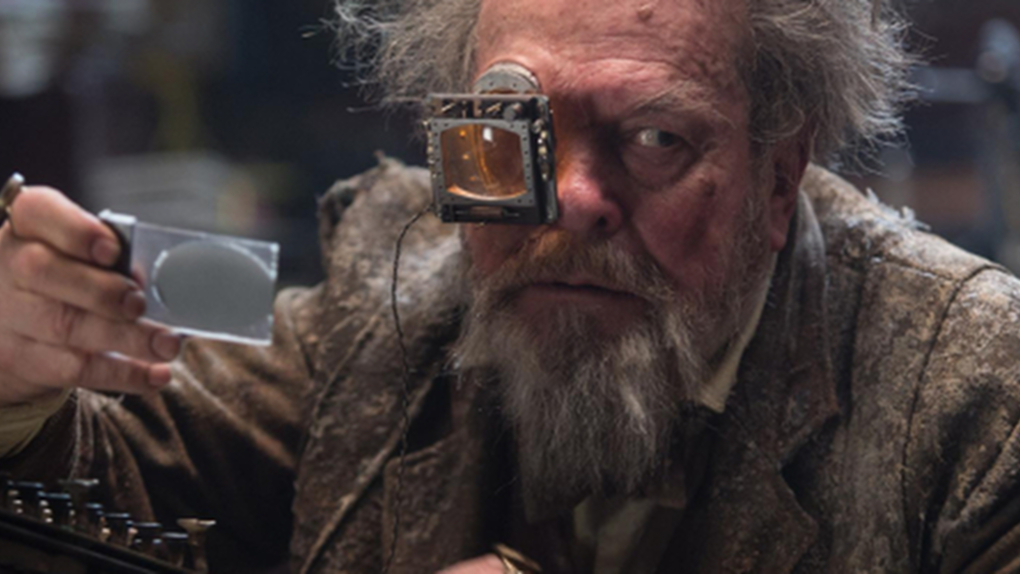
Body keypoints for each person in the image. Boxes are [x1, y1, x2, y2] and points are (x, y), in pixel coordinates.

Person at [2, 0, 1020, 572]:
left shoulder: (975, 405)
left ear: (779, 175)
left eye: (656, 139)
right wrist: (18, 386)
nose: (568, 201)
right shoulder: (385, 289)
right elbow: (106, 485)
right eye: (505, 132)